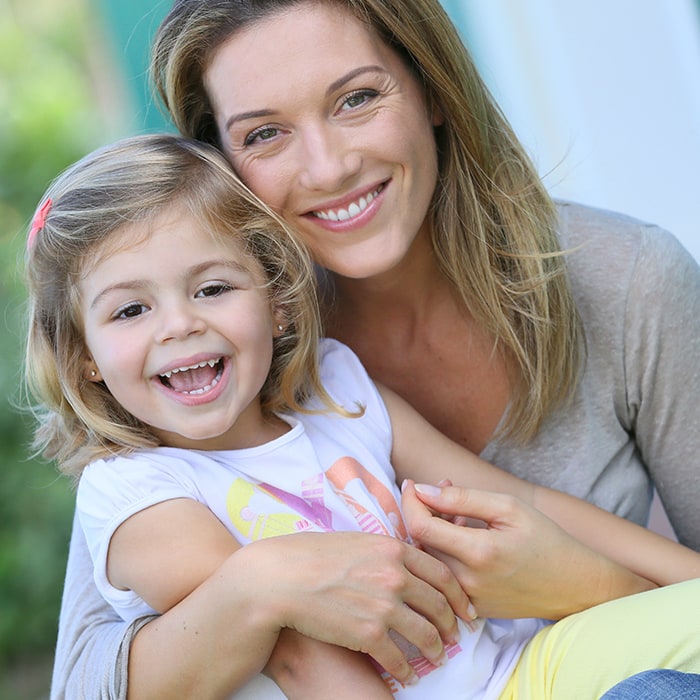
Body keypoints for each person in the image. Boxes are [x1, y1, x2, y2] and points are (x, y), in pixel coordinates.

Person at [48, 0, 700, 697]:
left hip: (533, 668)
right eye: (265, 133)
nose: (328, 167)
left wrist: (587, 582)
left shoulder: (623, 281)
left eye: (357, 98)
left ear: (433, 88)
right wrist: (262, 583)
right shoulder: (173, 429)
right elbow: (87, 681)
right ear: (226, 167)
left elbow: (527, 504)